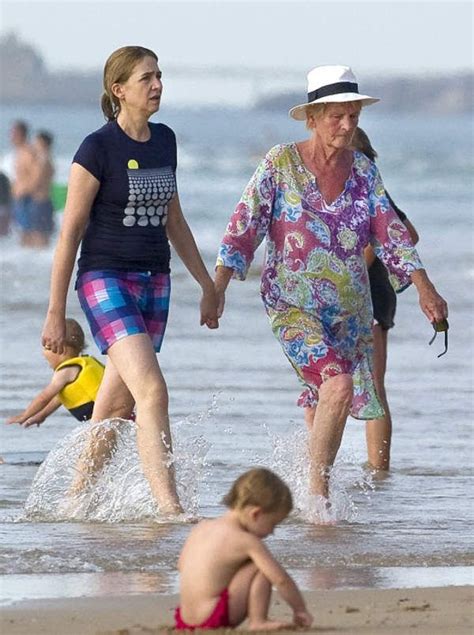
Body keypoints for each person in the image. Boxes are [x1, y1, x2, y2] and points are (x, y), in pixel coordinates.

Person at [215, 65, 448, 503]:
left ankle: (311, 482)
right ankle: (318, 498)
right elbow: (243, 227)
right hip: (292, 305)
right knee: (337, 386)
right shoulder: (280, 163)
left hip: (351, 312)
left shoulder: (363, 171)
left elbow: (392, 232)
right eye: (335, 116)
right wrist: (218, 288)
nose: (346, 125)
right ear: (312, 119)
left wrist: (424, 287)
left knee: (327, 399)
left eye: (352, 116)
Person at [41, 46, 219, 516]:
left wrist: (206, 284)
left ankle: (75, 501)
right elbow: (70, 233)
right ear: (119, 90)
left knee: (114, 408)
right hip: (105, 280)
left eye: (159, 75)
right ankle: (170, 509)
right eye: (146, 78)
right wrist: (55, 311)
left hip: (154, 283)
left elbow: (174, 220)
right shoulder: (96, 148)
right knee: (153, 391)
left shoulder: (165, 140)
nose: (157, 85)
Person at [175, 467, 313, 630]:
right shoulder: (246, 540)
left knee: (238, 564)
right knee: (260, 567)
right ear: (255, 514)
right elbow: (280, 579)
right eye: (273, 524)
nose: (272, 532)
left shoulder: (201, 528)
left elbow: (181, 565)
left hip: (184, 620)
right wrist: (300, 609)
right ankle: (258, 621)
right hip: (214, 617)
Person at [356, 127, 419, 471]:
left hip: (371, 293)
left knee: (373, 386)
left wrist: (365, 254)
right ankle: (320, 469)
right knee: (322, 386)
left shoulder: (368, 189)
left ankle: (379, 469)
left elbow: (408, 235)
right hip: (357, 292)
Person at [6, 319, 104, 427]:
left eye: (47, 347)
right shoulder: (86, 363)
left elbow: (44, 397)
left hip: (103, 413)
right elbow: (59, 398)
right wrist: (42, 415)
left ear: (62, 349)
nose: (43, 353)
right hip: (111, 409)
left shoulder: (66, 371)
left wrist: (25, 415)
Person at [10, 120, 36, 246]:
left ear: (21, 134)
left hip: (26, 197)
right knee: (22, 232)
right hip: (20, 197)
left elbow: (35, 176)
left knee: (28, 233)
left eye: (13, 133)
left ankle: (32, 261)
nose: (11, 136)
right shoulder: (20, 152)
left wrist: (24, 191)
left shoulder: (28, 152)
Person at [27, 130, 55, 248]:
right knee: (41, 234)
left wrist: (19, 191)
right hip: (44, 200)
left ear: (43, 143)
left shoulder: (43, 160)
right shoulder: (47, 158)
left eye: (37, 141)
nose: (34, 144)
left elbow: (36, 181)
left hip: (40, 201)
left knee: (39, 235)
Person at [0, 170, 12, 235]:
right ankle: (4, 231)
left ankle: (3, 231)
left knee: (3, 217)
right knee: (3, 217)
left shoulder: (3, 177)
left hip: (3, 202)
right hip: (4, 202)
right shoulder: (4, 177)